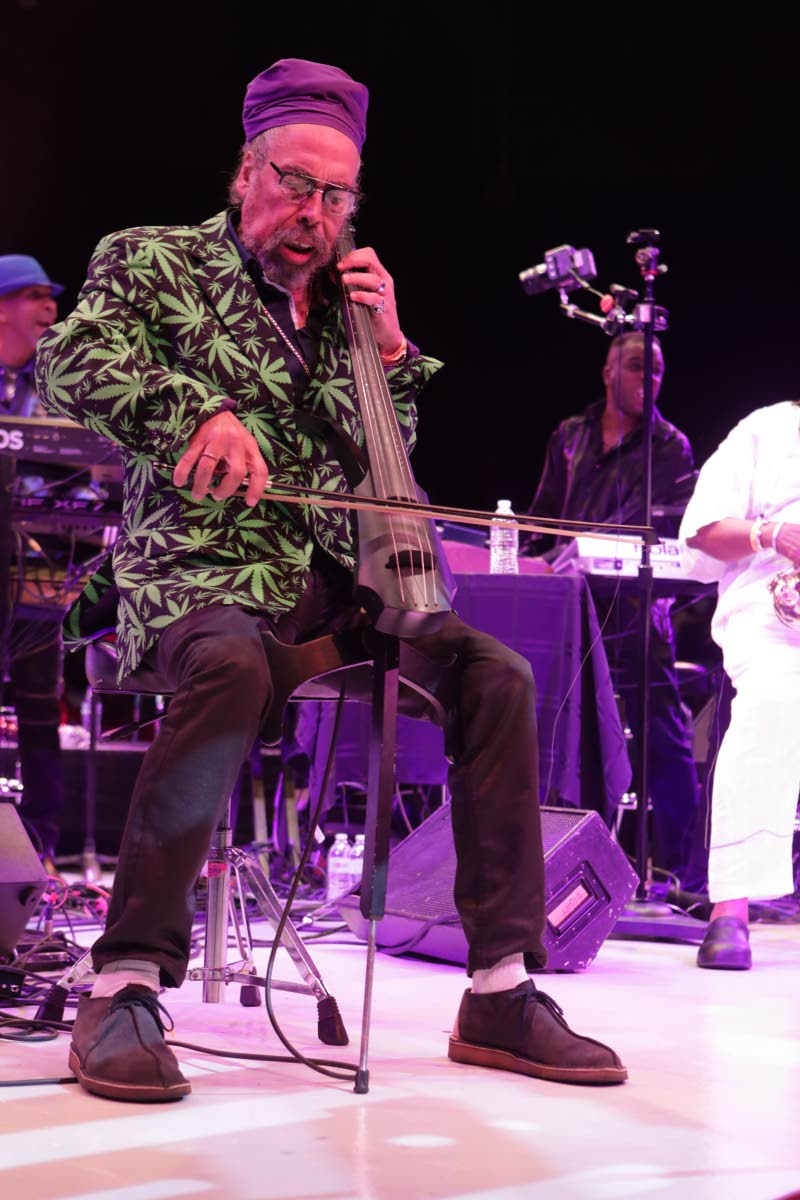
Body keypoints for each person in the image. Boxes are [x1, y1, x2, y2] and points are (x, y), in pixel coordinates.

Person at [36, 58, 626, 1102]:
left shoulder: (353, 304)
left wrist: (390, 353)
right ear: (243, 173)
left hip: (337, 586)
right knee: (227, 666)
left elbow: (383, 461)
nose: (311, 212)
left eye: (336, 194)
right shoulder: (153, 261)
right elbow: (71, 359)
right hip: (201, 571)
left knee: (496, 676)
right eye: (293, 182)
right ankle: (122, 984)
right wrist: (193, 414)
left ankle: (497, 985)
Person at [526, 332, 703, 887]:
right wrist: (534, 566)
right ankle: (558, 870)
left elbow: (675, 533)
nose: (647, 379)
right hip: (571, 614)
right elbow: (544, 519)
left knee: (663, 739)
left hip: (635, 616)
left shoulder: (670, 445)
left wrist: (603, 548)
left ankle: (688, 876)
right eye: (635, 367)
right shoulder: (571, 436)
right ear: (607, 373)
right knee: (563, 732)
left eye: (655, 370)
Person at [680, 400, 800, 969]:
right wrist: (772, 533)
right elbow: (705, 532)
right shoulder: (766, 428)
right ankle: (730, 911)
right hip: (776, 615)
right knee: (773, 704)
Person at [0, 255, 66, 870]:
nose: (49, 306)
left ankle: (41, 848)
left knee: (41, 706)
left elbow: (86, 476)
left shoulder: (52, 387)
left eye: (52, 295)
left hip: (41, 570)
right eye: (33, 294)